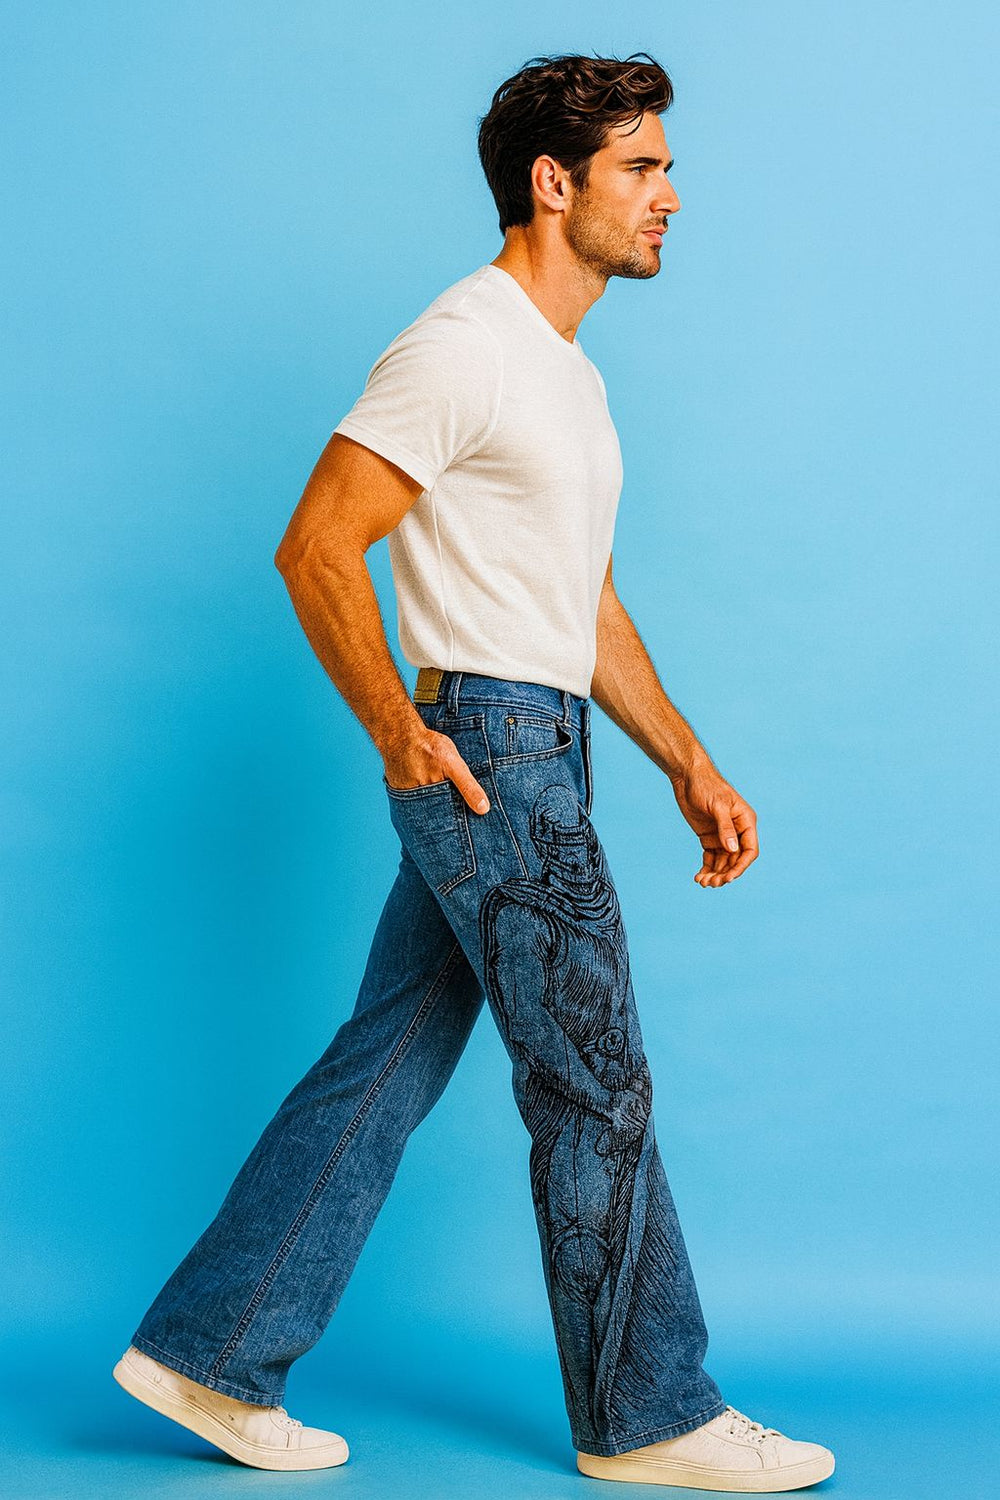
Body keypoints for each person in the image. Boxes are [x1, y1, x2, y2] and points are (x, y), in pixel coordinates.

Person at [113, 51, 835, 1491]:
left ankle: (211, 1350)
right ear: (553, 182)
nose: (670, 196)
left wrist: (688, 761)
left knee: (386, 1060)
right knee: (595, 1083)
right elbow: (318, 544)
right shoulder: (465, 343)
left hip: (537, 737)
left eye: (667, 167)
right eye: (642, 168)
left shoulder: (565, 372)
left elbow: (582, 601)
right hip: (493, 752)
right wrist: (399, 729)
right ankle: (648, 1414)